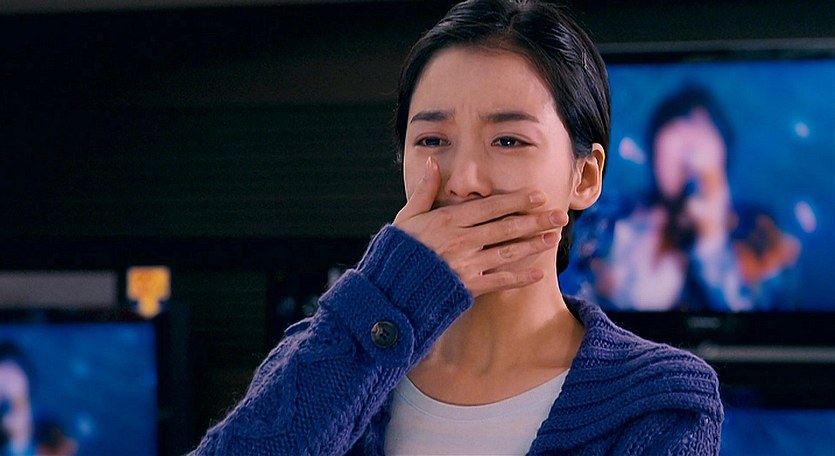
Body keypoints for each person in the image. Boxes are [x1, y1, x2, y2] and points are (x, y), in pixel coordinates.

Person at [189, 1, 723, 454]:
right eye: (432, 141)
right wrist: (387, 292)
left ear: (584, 177)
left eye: (508, 140)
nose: (464, 181)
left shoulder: (661, 401)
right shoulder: (328, 356)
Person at [574, 85, 800, 311]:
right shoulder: (612, 216)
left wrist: (712, 237)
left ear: (724, 152)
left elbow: (765, 314)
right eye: (674, 152)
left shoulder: (761, 231)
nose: (690, 162)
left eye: (698, 145)